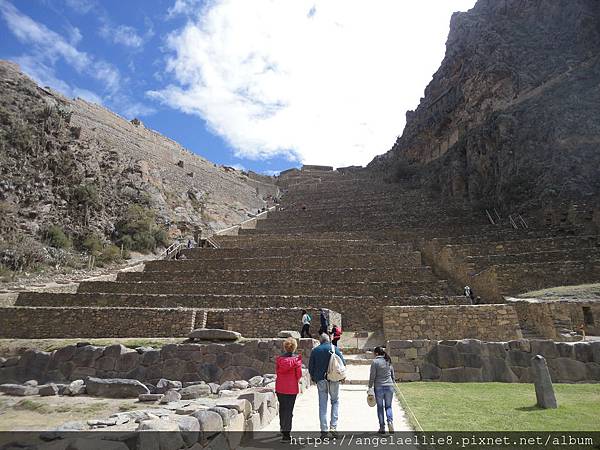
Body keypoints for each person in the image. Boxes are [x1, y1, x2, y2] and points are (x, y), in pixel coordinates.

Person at [308, 333, 346, 437]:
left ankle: (324, 430)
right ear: (329, 340)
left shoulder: (315, 350)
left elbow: (311, 367)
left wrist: (313, 377)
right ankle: (333, 426)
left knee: (322, 405)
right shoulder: (334, 348)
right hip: (333, 379)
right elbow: (343, 363)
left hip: (320, 380)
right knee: (335, 401)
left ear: (320, 341)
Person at [275, 337, 302, 442]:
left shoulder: (279, 359)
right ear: (294, 347)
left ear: (285, 347)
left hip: (280, 387)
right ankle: (286, 434)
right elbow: (298, 375)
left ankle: (282, 428)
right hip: (291, 388)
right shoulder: (296, 360)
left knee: (282, 408)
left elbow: (277, 372)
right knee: (289, 410)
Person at [369, 346, 395, 434]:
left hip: (379, 386)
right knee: (388, 406)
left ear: (376, 353)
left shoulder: (375, 362)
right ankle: (390, 422)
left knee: (380, 407)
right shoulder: (388, 360)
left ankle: (382, 427)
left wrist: (369, 387)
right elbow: (392, 373)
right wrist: (393, 381)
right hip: (389, 386)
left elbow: (372, 376)